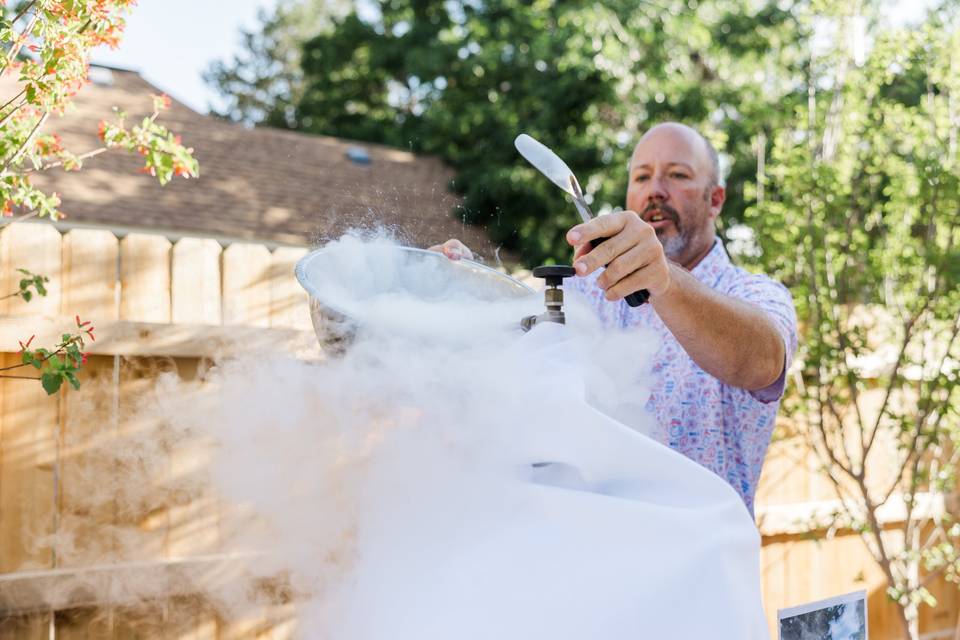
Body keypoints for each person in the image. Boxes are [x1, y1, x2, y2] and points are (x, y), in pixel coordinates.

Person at [429, 122, 797, 515]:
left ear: (716, 200)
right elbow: (506, 368)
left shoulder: (755, 295)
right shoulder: (582, 294)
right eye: (642, 176)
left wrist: (664, 279)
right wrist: (460, 292)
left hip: (699, 565)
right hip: (591, 559)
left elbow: (760, 360)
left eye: (678, 175)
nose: (656, 189)